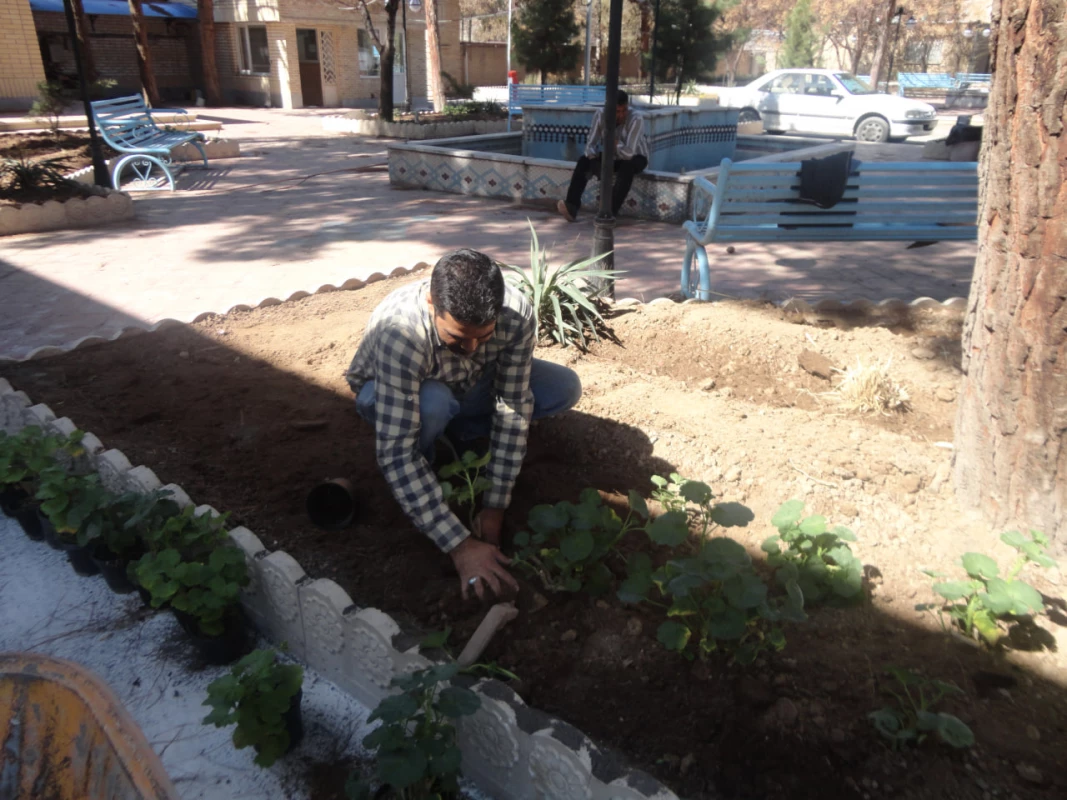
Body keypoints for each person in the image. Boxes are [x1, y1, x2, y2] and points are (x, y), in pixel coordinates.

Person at [346, 249, 583, 600]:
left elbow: (513, 404)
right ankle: (430, 455)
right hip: (392, 392)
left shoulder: (515, 313)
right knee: (433, 404)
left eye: (483, 338)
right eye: (457, 338)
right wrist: (460, 546)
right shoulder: (401, 332)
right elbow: (396, 453)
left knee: (563, 387)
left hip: (466, 382)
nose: (471, 348)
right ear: (432, 302)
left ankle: (459, 432)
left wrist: (495, 505)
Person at [557, 90, 649, 222]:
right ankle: (571, 206)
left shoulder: (636, 118)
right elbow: (590, 145)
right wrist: (593, 159)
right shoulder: (600, 115)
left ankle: (609, 212)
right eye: (617, 111)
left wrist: (613, 141)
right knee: (584, 161)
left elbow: (629, 153)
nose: (621, 115)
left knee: (627, 168)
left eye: (624, 110)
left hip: (636, 156)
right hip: (613, 156)